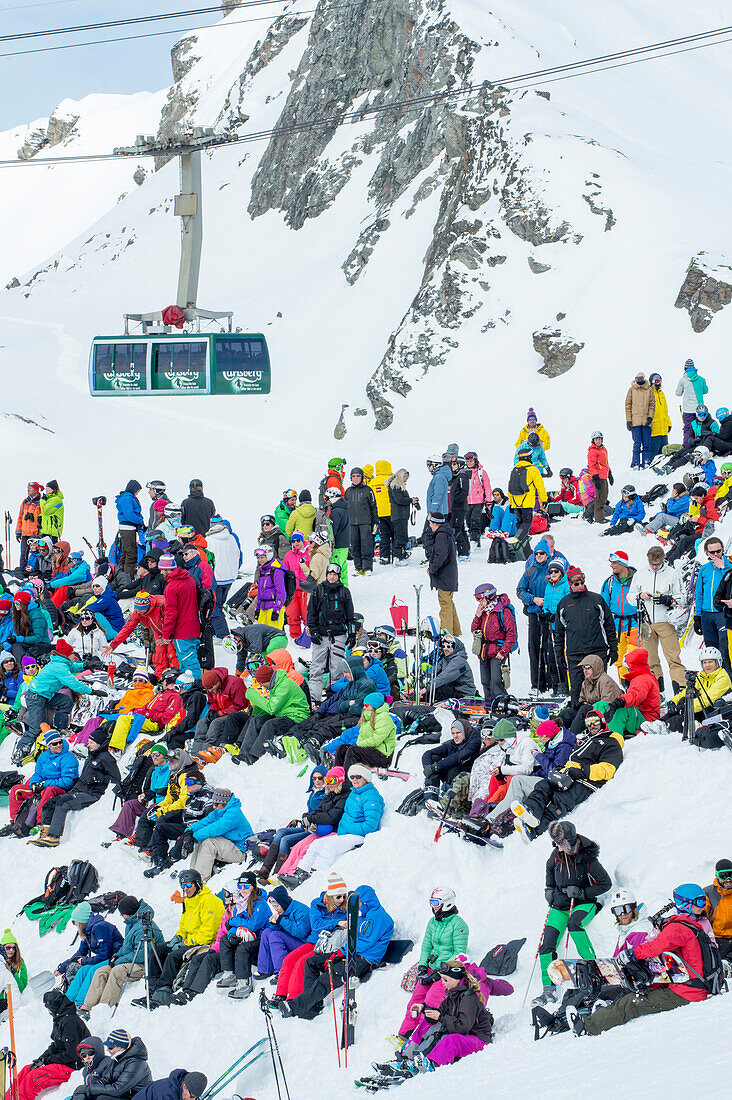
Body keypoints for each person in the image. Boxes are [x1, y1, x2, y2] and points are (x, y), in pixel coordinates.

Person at [570, 883, 719, 1036]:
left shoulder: (679, 928)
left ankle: (588, 1027)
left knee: (630, 1003)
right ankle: (602, 1013)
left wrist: (631, 954)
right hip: (691, 986)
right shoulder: (692, 926)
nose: (703, 906)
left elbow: (655, 947)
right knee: (639, 993)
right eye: (699, 902)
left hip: (688, 992)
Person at [282, 884, 393, 1020]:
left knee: (328, 977)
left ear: (365, 901)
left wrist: (340, 953)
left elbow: (363, 943)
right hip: (352, 954)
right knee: (311, 962)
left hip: (362, 960)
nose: (357, 906)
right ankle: (312, 1007)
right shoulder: (366, 915)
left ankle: (294, 1007)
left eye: (358, 903)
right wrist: (339, 952)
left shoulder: (378, 917)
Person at [531, 820, 610, 1005]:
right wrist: (549, 889)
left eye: (559, 843)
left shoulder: (587, 858)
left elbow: (605, 883)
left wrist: (582, 892)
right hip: (560, 905)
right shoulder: (556, 854)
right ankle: (549, 989)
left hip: (583, 903)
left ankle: (593, 966)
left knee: (574, 925)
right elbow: (549, 868)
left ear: (567, 842)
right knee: (546, 945)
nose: (556, 847)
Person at [511, 709, 623, 839]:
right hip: (568, 774)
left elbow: (608, 769)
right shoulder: (587, 739)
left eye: (595, 721)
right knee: (544, 786)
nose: (591, 725)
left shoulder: (611, 742)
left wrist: (582, 771)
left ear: (602, 722)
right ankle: (531, 811)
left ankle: (535, 831)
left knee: (560, 801)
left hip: (586, 781)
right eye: (588, 722)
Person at [13, 639, 100, 761]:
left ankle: (61, 728)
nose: (72, 656)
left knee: (65, 701)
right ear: (65, 655)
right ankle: (19, 752)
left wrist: (86, 665)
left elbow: (73, 665)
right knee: (35, 729)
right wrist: (92, 691)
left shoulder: (60, 661)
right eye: (71, 654)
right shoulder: (59, 667)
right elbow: (74, 684)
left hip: (44, 696)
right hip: (35, 698)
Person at [32, 729, 120, 847]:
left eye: (91, 742)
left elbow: (116, 778)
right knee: (49, 803)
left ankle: (54, 837)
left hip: (92, 794)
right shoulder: (92, 755)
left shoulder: (106, 758)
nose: (88, 744)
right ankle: (44, 834)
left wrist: (97, 779)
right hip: (80, 790)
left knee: (63, 804)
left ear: (99, 744)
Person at [398, 889, 469, 1036]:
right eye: (431, 902)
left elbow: (459, 954)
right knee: (415, 1001)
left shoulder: (459, 925)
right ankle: (405, 1034)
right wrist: (422, 966)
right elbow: (426, 946)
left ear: (447, 903)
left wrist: (440, 974)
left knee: (431, 1002)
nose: (433, 906)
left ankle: (422, 1037)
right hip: (430, 969)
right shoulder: (433, 922)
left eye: (436, 903)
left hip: (446, 974)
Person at [268, 876, 349, 1005]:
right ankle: (281, 994)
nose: (342, 900)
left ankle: (293, 999)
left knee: (302, 962)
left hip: (328, 945)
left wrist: (334, 923)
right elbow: (316, 924)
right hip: (314, 941)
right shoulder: (316, 904)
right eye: (338, 897)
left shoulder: (345, 908)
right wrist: (337, 922)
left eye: (344, 897)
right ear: (330, 895)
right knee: (289, 959)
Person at [294, 765, 384, 876]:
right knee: (316, 844)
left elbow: (370, 826)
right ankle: (300, 872)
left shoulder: (371, 796)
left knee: (329, 847)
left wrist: (348, 828)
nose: (355, 779)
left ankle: (314, 875)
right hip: (345, 833)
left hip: (359, 835)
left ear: (365, 778)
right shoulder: (354, 793)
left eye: (358, 776)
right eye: (352, 776)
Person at [81, 897, 164, 1011]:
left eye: (122, 914)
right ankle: (87, 1007)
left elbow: (141, 954)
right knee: (102, 971)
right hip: (134, 961)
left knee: (117, 971)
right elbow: (126, 947)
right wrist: (116, 956)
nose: (122, 916)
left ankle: (104, 1009)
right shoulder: (132, 924)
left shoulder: (144, 927)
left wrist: (118, 961)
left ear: (128, 913)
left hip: (146, 964)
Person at [554, 567, 618, 705]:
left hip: (596, 652)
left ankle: (602, 717)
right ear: (570, 584)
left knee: (599, 687)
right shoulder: (563, 604)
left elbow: (609, 626)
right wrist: (559, 655)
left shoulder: (597, 600)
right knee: (577, 690)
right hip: (575, 654)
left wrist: (614, 648)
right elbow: (558, 634)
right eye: (576, 584)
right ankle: (577, 717)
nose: (580, 586)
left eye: (582, 582)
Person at [11, 991, 89, 1100]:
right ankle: (8, 1097)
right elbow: (56, 1045)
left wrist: (48, 1061)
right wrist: (41, 1059)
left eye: (47, 1007)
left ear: (53, 1007)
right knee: (27, 1069)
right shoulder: (60, 1018)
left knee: (34, 1078)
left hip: (72, 1065)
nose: (47, 1010)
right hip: (65, 1060)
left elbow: (72, 1054)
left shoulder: (69, 1023)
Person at [255, 766, 327, 882]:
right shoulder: (314, 792)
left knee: (286, 840)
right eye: (314, 778)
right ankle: (265, 869)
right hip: (305, 825)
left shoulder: (325, 794)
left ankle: (276, 874)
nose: (317, 781)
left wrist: (309, 818)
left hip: (312, 828)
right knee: (280, 832)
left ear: (325, 778)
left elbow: (321, 813)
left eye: (320, 778)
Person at [3, 728, 79, 837]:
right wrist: (34, 784)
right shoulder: (43, 756)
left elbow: (67, 781)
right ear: (48, 745)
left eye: (60, 742)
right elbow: (37, 774)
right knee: (16, 789)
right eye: (54, 744)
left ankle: (40, 824)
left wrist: (44, 784)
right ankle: (16, 822)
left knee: (48, 791)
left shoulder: (69, 758)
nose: (58, 745)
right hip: (43, 785)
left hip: (59, 789)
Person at [630, 545, 685, 691]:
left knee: (673, 657)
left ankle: (680, 689)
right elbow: (630, 597)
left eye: (658, 564)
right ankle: (656, 692)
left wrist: (667, 599)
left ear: (663, 561)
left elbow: (682, 597)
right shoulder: (640, 574)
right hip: (646, 622)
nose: (655, 567)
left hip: (666, 621)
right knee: (650, 660)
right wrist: (640, 596)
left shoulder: (672, 573)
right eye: (652, 564)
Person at [306, 563, 356, 704]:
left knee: (337, 669)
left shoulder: (344, 592)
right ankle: (314, 699)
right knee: (316, 668)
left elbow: (350, 615)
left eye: (335, 575)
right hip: (321, 635)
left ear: (338, 576)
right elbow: (311, 613)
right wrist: (313, 630)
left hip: (338, 635)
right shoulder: (318, 590)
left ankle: (334, 698)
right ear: (326, 575)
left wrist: (351, 634)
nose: (332, 577)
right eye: (330, 574)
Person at [215, 872, 270, 999]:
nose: (243, 890)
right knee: (225, 940)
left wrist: (233, 921)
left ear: (253, 886)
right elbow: (234, 924)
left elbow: (254, 924)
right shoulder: (240, 903)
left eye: (246, 886)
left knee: (243, 949)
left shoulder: (261, 903)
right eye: (240, 886)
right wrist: (231, 934)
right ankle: (229, 973)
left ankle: (244, 982)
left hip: (261, 939)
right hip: (247, 936)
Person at [57, 902, 124, 1006]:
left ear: (81, 921)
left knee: (92, 970)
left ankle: (80, 1003)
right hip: (105, 957)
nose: (74, 924)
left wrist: (85, 961)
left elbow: (105, 953)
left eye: (75, 922)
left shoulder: (100, 927)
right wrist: (62, 967)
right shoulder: (87, 930)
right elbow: (80, 952)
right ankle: (67, 1001)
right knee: (82, 971)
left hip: (114, 957)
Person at [660, 647, 732, 734]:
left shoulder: (722, 677)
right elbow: (686, 692)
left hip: (712, 711)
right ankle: (660, 722)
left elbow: (707, 699)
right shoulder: (702, 676)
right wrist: (674, 702)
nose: (707, 665)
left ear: (718, 662)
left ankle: (666, 726)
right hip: (701, 709)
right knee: (682, 700)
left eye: (710, 662)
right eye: (705, 662)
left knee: (680, 718)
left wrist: (685, 708)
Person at [188, 787, 253, 881]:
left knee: (208, 843)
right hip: (229, 846)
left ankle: (201, 880)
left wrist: (193, 837)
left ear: (225, 803)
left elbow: (215, 828)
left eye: (216, 804)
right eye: (213, 803)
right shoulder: (218, 812)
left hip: (240, 851)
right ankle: (192, 876)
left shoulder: (234, 813)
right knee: (200, 840)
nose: (214, 807)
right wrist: (188, 833)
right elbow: (203, 823)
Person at [517, 539, 553, 695]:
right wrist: (533, 599)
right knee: (534, 648)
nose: (538, 556)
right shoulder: (530, 571)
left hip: (549, 614)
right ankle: (536, 683)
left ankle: (551, 682)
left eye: (542, 553)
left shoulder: (553, 569)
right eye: (536, 553)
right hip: (534, 612)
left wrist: (548, 602)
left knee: (548, 648)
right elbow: (520, 590)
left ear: (547, 554)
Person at [557, 654, 623, 736]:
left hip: (605, 717)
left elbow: (606, 704)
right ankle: (554, 734)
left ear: (596, 667)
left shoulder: (606, 681)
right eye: (583, 667)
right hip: (590, 714)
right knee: (567, 713)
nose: (585, 670)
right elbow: (582, 699)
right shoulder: (586, 682)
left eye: (588, 667)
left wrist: (589, 706)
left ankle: (571, 737)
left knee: (585, 709)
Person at [159, 552, 201, 680]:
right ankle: (187, 688)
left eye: (162, 570)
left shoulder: (172, 587)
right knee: (187, 661)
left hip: (182, 631)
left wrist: (166, 635)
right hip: (194, 626)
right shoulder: (189, 579)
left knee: (189, 662)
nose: (161, 573)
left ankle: (196, 688)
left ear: (168, 569)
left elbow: (171, 613)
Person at [600, 648, 660, 738]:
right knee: (601, 704)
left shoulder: (642, 679)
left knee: (622, 710)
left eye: (628, 666)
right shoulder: (641, 677)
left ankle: (613, 740)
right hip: (639, 717)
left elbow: (635, 696)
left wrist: (620, 701)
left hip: (646, 720)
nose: (628, 669)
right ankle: (598, 731)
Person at [256, 884, 311, 979]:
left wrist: (281, 920)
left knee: (275, 936)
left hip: (305, 944)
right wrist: (275, 923)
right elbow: (279, 929)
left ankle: (282, 972)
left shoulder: (301, 911)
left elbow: (302, 933)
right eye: (273, 906)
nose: (275, 909)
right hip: (293, 940)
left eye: (277, 906)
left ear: (283, 902)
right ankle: (265, 969)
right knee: (267, 932)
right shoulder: (283, 910)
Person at [189, 667, 247, 755]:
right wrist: (212, 711)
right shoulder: (210, 686)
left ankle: (207, 753)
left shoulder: (234, 683)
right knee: (202, 723)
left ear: (217, 682)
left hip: (235, 714)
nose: (209, 691)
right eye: (207, 689)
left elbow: (240, 705)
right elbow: (212, 701)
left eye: (211, 688)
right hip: (220, 713)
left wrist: (220, 713)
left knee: (215, 724)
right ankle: (195, 754)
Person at [694, 536, 732, 672]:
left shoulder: (729, 567)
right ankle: (714, 680)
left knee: (725, 647)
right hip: (706, 614)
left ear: (723, 550)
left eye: (718, 551)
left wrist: (722, 568)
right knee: (711, 649)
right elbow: (699, 594)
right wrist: (697, 616)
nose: (716, 555)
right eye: (712, 553)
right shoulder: (704, 569)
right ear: (707, 553)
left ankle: (728, 679)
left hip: (723, 613)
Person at [334, 692, 395, 771]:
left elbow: (376, 740)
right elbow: (361, 736)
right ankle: (337, 775)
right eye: (364, 705)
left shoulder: (384, 718)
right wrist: (357, 745)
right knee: (342, 749)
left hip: (382, 756)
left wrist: (358, 745)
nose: (364, 708)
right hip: (369, 751)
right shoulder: (367, 717)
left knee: (353, 751)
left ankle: (347, 781)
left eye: (367, 705)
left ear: (374, 706)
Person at [599, 550, 638, 670]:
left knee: (634, 657)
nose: (611, 565)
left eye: (614, 563)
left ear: (622, 563)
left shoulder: (637, 579)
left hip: (634, 623)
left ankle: (635, 684)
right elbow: (603, 605)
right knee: (618, 659)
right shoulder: (609, 582)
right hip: (616, 625)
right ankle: (626, 685)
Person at [422, 717, 481, 794]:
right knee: (434, 758)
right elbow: (428, 753)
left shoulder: (475, 742)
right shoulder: (452, 743)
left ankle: (446, 798)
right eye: (453, 733)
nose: (455, 736)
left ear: (465, 732)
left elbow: (459, 756)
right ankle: (430, 796)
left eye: (458, 733)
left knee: (453, 769)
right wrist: (428, 768)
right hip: (451, 776)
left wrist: (437, 767)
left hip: (467, 778)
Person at [206, 515, 241, 639]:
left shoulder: (209, 540)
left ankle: (223, 635)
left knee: (215, 608)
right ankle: (215, 632)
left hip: (216, 578)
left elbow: (207, 560)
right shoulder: (231, 537)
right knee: (219, 605)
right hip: (229, 577)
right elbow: (238, 554)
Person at [427, 512, 460, 636]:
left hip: (444, 576)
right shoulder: (446, 533)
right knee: (449, 602)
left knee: (445, 604)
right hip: (449, 575)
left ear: (436, 523)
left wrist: (432, 569)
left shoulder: (441, 535)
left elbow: (440, 555)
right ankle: (456, 630)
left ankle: (447, 633)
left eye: (430, 522)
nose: (429, 525)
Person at [507, 445, 547, 545]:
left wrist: (512, 503)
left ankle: (522, 546)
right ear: (529, 457)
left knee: (520, 524)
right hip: (527, 502)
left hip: (516, 503)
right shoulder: (533, 470)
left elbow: (510, 488)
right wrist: (544, 499)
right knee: (526, 523)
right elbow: (540, 487)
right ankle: (517, 541)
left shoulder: (514, 470)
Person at [345, 467, 378, 575]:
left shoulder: (368, 490)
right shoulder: (348, 491)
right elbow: (345, 507)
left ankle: (367, 568)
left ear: (362, 477)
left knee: (366, 545)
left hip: (365, 522)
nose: (355, 478)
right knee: (355, 546)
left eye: (358, 476)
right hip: (352, 523)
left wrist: (375, 522)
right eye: (353, 476)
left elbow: (374, 507)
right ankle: (358, 567)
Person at [624, 372, 655, 469]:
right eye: (638, 378)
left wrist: (650, 417)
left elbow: (652, 404)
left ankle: (646, 462)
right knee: (637, 443)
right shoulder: (631, 390)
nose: (639, 380)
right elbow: (628, 405)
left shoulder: (649, 389)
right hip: (635, 421)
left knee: (646, 443)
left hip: (646, 421)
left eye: (641, 378)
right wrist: (628, 420)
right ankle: (635, 463)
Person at [703, 859, 732, 961]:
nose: (728, 879)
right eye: (723, 876)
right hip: (718, 940)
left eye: (731, 874)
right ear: (717, 876)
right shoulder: (709, 892)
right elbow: (701, 915)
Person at [115, 481, 145, 578]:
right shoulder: (127, 498)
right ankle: (128, 577)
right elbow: (129, 515)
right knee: (131, 554)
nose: (137, 493)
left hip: (127, 528)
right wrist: (140, 521)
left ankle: (119, 575)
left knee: (125, 553)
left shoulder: (126, 497)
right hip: (128, 528)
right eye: (137, 491)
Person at [676, 359, 709, 446]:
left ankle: (687, 446)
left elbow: (678, 393)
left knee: (688, 428)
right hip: (700, 409)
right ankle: (701, 445)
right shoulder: (701, 379)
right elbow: (705, 391)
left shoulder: (682, 380)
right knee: (700, 427)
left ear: (685, 368)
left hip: (688, 409)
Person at [464, 452, 492, 548]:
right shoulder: (463, 472)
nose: (469, 463)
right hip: (467, 502)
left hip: (478, 502)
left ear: (475, 460)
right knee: (468, 522)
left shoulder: (481, 472)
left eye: (471, 461)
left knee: (475, 521)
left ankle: (474, 541)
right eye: (467, 461)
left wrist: (488, 501)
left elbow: (487, 487)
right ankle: (477, 542)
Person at [387, 468, 415, 563]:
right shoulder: (396, 486)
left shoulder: (396, 486)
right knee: (400, 536)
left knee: (401, 535)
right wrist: (410, 500)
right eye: (405, 477)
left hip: (400, 515)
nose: (406, 480)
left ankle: (399, 555)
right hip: (399, 515)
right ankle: (398, 557)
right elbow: (399, 500)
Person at [370, 460, 394, 564]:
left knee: (384, 536)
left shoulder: (373, 482)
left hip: (379, 513)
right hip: (392, 512)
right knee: (395, 535)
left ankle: (385, 557)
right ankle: (397, 555)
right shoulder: (392, 480)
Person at [15, 483, 43, 571]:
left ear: (36, 490)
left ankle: (35, 570)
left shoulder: (41, 502)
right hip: (24, 533)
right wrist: (18, 531)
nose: (28, 490)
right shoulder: (25, 502)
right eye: (28, 488)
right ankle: (23, 571)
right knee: (23, 553)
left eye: (30, 488)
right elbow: (20, 517)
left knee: (36, 553)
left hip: (36, 533)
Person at [130, 1069, 208, 1100]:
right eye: (192, 1096)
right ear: (184, 1085)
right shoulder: (165, 1094)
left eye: (195, 1097)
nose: (192, 1099)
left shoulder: (182, 1089)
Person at [449, 455, 471, 560]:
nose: (452, 466)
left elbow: (464, 492)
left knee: (456, 528)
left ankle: (463, 552)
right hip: (457, 507)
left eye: (454, 464)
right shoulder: (456, 476)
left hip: (460, 507)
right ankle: (467, 548)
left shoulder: (462, 476)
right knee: (460, 528)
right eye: (452, 464)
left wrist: (456, 501)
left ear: (460, 465)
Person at [648, 372, 672, 459]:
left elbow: (665, 411)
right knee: (654, 454)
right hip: (654, 430)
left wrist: (669, 424)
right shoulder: (648, 394)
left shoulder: (661, 393)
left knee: (664, 454)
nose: (658, 383)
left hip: (663, 430)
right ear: (651, 382)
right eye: (656, 381)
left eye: (659, 381)